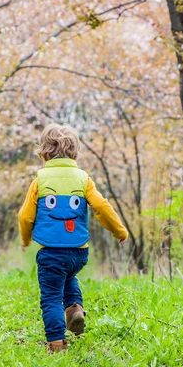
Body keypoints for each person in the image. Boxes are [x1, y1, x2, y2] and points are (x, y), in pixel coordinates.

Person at [18, 124, 128, 353]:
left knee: (50, 297)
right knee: (68, 275)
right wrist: (119, 231)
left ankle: (57, 343)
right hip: (78, 251)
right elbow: (101, 206)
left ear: (44, 151)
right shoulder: (83, 178)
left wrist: (26, 239)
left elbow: (25, 216)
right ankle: (75, 308)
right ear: (75, 151)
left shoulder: (40, 179)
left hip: (50, 251)